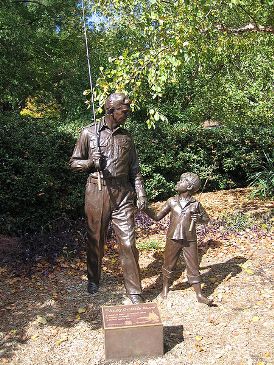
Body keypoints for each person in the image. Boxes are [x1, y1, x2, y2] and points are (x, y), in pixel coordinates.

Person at [70, 93, 147, 304]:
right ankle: (94, 278)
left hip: (123, 193)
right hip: (98, 190)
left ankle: (133, 291)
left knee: (128, 242)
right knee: (96, 238)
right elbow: (74, 163)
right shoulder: (88, 132)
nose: (128, 114)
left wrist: (140, 192)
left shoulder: (127, 137)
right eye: (125, 111)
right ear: (111, 110)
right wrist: (89, 163)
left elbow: (135, 169)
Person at [145, 172, 212, 305]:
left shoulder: (196, 204)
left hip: (189, 239)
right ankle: (165, 287)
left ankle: (199, 294)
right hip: (173, 237)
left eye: (182, 181)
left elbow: (206, 219)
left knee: (193, 266)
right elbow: (158, 216)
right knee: (168, 263)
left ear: (189, 187)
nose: (178, 182)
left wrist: (199, 218)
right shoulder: (171, 201)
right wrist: (145, 208)